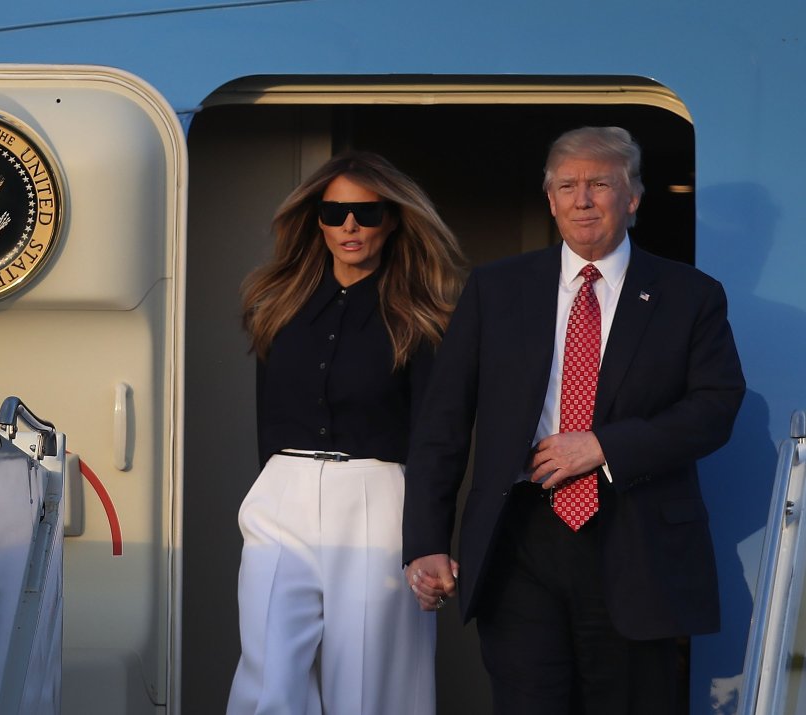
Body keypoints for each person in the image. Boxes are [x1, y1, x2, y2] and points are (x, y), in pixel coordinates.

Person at [402, 126, 745, 714]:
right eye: (568, 186)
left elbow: (715, 408)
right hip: (520, 541)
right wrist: (425, 542)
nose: (582, 199)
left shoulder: (690, 294)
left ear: (633, 197)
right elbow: (442, 422)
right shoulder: (495, 288)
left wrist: (604, 446)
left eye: (600, 184)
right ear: (550, 199)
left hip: (636, 542)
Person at [227, 150, 464, 715]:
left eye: (365, 212)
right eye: (334, 213)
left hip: (376, 497)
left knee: (372, 686)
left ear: (394, 218)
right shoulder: (276, 304)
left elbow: (438, 436)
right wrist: (271, 487)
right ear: (317, 220)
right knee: (267, 678)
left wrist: (428, 539)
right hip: (281, 492)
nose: (349, 225)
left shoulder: (423, 318)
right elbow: (270, 419)